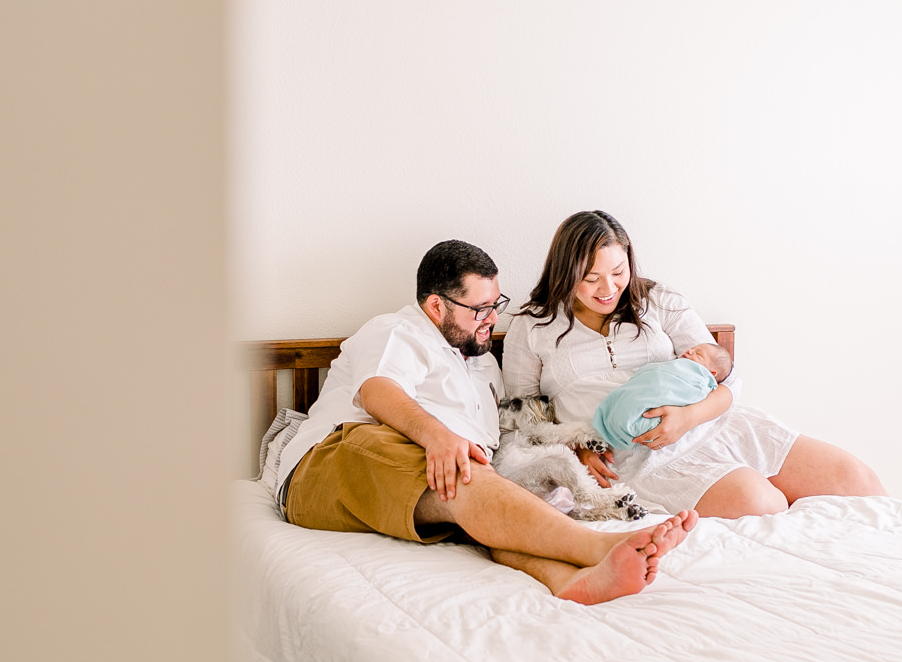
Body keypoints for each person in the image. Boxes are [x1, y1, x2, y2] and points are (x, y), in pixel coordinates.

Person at [274, 239, 698, 605]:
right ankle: (600, 547)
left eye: (495, 304)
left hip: (428, 476)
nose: (492, 318)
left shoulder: (483, 366)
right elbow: (378, 390)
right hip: (336, 459)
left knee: (497, 504)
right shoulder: (398, 331)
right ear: (436, 305)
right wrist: (438, 436)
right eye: (478, 309)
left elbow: (514, 440)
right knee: (461, 470)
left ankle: (569, 579)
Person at [503, 211, 887, 519]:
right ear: (565, 274)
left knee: (857, 481)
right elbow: (522, 422)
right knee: (763, 504)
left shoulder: (659, 301)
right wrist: (575, 451)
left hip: (709, 423)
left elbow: (728, 380)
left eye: (618, 273)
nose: (608, 289)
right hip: (637, 455)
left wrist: (688, 418)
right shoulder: (532, 327)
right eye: (591, 279)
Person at [592, 343, 732, 451]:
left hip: (662, 419)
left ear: (711, 373)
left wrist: (687, 415)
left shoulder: (702, 380)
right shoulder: (670, 365)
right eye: (692, 349)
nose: (690, 351)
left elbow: (727, 389)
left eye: (699, 355)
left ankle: (633, 427)